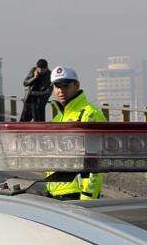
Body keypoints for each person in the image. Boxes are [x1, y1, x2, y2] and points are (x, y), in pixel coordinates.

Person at [45, 66, 107, 201]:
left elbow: (97, 162)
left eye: (65, 85)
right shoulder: (58, 118)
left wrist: (88, 197)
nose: (61, 90)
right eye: (57, 86)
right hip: (54, 194)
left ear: (76, 85)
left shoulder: (90, 114)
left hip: (76, 195)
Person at [20, 58, 52, 122]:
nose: (40, 71)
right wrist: (34, 78)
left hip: (40, 103)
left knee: (39, 124)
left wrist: (32, 93)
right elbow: (25, 83)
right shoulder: (33, 70)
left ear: (46, 68)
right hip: (29, 101)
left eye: (43, 69)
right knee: (23, 122)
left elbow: (48, 92)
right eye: (39, 69)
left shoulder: (50, 75)